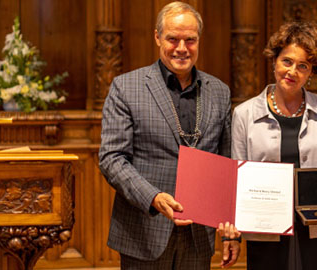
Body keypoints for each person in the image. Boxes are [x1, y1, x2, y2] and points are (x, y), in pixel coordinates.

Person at [99, 2, 240, 269]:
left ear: (199, 40)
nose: (182, 48)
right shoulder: (126, 87)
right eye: (172, 39)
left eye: (190, 40)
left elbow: (227, 166)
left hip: (199, 236)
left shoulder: (220, 92)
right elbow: (111, 159)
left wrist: (233, 233)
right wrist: (153, 197)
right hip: (144, 231)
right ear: (157, 37)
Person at [231, 21, 317, 270]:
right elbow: (236, 179)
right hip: (266, 229)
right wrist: (232, 233)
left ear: (311, 72)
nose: (292, 71)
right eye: (287, 61)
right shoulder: (244, 114)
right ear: (274, 61)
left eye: (303, 66)